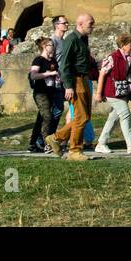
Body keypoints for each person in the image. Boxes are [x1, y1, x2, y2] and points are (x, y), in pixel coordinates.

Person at [48, 14, 97, 160]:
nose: (93, 26)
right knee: (80, 116)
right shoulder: (72, 39)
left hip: (84, 79)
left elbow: (82, 61)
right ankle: (74, 151)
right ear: (80, 24)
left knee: (85, 116)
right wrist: (68, 86)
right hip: (75, 81)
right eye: (90, 23)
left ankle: (56, 138)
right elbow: (64, 65)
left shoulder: (83, 39)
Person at [96, 32, 131, 154]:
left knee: (113, 118)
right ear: (123, 45)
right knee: (125, 115)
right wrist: (99, 93)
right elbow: (102, 74)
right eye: (130, 44)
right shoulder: (112, 57)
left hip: (123, 92)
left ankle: (101, 143)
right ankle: (130, 145)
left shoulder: (129, 59)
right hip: (112, 92)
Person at [28, 37, 61, 153]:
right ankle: (48, 143)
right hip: (40, 92)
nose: (53, 47)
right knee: (47, 116)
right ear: (44, 47)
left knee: (41, 118)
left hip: (51, 92)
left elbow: (57, 74)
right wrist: (48, 74)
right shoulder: (38, 60)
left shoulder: (53, 61)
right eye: (51, 45)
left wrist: (57, 77)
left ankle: (33, 143)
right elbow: (33, 75)